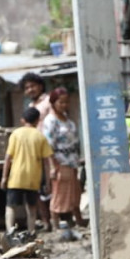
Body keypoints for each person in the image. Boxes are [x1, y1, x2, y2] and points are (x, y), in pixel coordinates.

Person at [1, 107, 54, 235]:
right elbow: (46, 162)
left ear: (23, 120)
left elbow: (8, 158)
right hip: (33, 178)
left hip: (16, 177)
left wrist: (4, 177)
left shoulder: (16, 134)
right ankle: (31, 231)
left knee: (11, 206)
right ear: (37, 120)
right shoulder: (40, 137)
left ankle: (9, 231)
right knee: (31, 206)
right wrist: (47, 182)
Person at [41, 87, 84, 228]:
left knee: (75, 192)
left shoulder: (67, 119)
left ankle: (78, 220)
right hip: (60, 161)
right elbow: (48, 146)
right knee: (60, 193)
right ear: (53, 103)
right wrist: (53, 166)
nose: (64, 105)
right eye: (61, 102)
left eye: (66, 102)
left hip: (72, 161)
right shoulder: (50, 121)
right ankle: (55, 225)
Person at [21, 72, 53, 230]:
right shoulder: (30, 107)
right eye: (27, 87)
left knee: (51, 185)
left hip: (49, 149)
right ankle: (45, 220)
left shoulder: (48, 101)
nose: (30, 90)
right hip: (35, 151)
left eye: (32, 86)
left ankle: (55, 220)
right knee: (37, 186)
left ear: (40, 86)